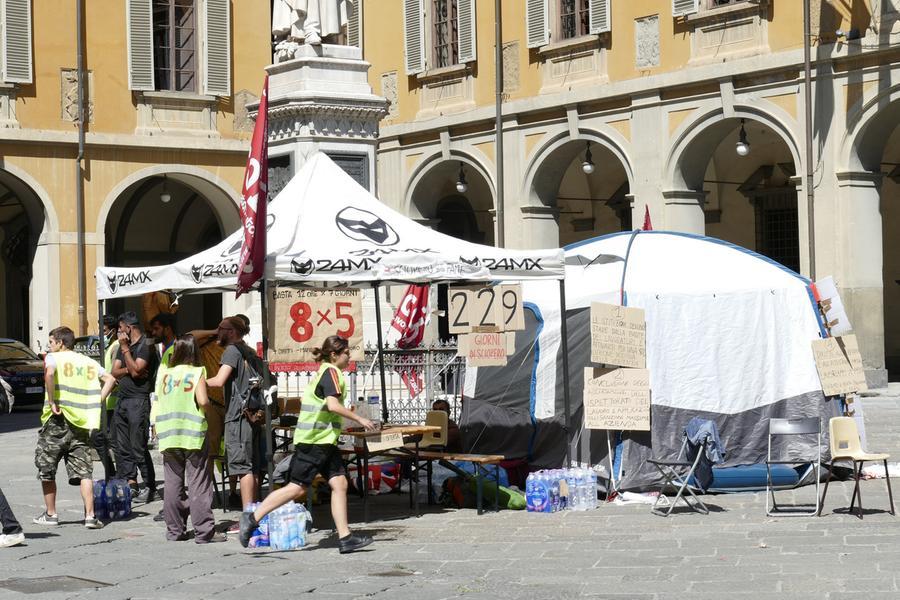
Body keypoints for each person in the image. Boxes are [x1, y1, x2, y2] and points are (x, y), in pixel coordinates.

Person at [238, 335, 375, 554]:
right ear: (334, 355)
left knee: (339, 484)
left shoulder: (326, 371)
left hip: (324, 442)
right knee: (296, 488)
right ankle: (252, 517)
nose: (350, 356)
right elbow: (331, 405)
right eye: (347, 352)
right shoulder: (331, 372)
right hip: (314, 442)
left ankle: (345, 537)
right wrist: (359, 419)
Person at [33, 326, 116, 529]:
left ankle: (51, 514)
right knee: (84, 471)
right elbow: (111, 379)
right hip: (81, 423)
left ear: (61, 343)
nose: (49, 346)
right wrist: (97, 401)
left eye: (51, 342)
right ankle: (90, 516)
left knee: (47, 467)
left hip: (57, 421)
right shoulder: (87, 362)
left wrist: (52, 401)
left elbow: (50, 374)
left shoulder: (53, 359)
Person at [156, 334, 225, 543]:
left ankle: (174, 531)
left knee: (172, 483)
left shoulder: (165, 374)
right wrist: (212, 414)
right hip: (192, 434)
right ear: (195, 352)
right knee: (199, 483)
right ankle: (204, 531)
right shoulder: (197, 373)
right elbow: (203, 400)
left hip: (168, 433)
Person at [205, 316, 265, 512]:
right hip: (253, 417)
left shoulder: (232, 351)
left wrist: (197, 380)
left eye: (221, 328)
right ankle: (254, 511)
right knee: (253, 468)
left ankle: (248, 516)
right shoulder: (248, 350)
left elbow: (219, 380)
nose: (217, 331)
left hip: (238, 418)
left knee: (242, 467)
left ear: (231, 332)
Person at [112, 312, 159, 504]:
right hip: (122, 399)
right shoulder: (121, 348)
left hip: (138, 400)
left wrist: (125, 350)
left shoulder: (146, 345)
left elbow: (139, 370)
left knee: (138, 445)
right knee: (122, 446)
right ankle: (131, 483)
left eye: (121, 329)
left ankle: (150, 486)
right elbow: (115, 371)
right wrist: (129, 369)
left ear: (129, 328)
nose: (119, 333)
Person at [90, 315, 119, 480]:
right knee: (97, 438)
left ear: (112, 331)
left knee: (113, 442)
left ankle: (121, 477)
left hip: (112, 404)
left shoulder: (115, 347)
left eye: (105, 330)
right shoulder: (110, 348)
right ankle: (113, 474)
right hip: (106, 404)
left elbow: (114, 377)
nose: (102, 333)